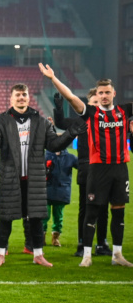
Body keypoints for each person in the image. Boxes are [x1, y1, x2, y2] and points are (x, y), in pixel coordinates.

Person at [0, 83, 78, 267]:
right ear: (11, 99)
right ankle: (0, 254)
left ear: (29, 98)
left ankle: (38, 254)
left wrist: (70, 134)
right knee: (6, 218)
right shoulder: (3, 122)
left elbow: (54, 144)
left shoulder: (41, 122)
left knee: (36, 218)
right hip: (10, 179)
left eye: (24, 95)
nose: (21, 98)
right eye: (18, 95)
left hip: (34, 180)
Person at [41, 67, 133, 267]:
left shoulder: (125, 111)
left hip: (119, 168)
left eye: (107, 92)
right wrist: (54, 78)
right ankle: (87, 255)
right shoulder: (91, 112)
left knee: (119, 211)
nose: (104, 95)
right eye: (100, 92)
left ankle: (117, 254)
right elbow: (70, 96)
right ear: (96, 95)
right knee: (91, 211)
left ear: (114, 93)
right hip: (97, 169)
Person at [53, 91, 110, 256]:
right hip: (86, 168)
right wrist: (58, 107)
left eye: (99, 103)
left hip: (105, 169)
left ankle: (101, 244)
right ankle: (82, 244)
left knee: (103, 209)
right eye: (93, 102)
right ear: (87, 104)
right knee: (85, 209)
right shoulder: (81, 121)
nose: (96, 106)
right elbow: (62, 123)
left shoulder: (109, 122)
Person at [45, 146, 78, 247]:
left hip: (61, 191)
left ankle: (55, 237)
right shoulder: (45, 156)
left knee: (58, 216)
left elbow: (83, 167)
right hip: (46, 189)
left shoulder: (70, 157)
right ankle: (40, 237)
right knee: (44, 215)